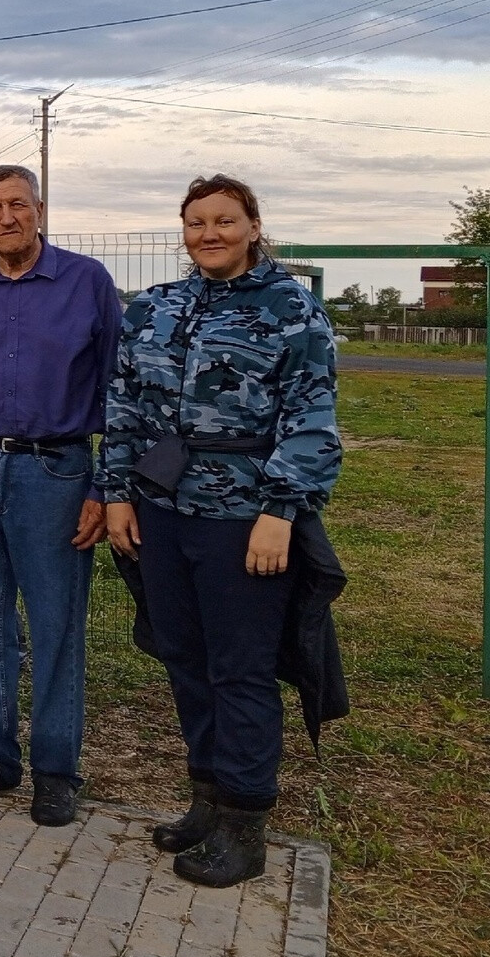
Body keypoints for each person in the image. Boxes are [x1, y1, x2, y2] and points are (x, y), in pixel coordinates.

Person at [104, 175, 342, 887]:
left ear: (253, 225)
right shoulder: (152, 309)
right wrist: (117, 494)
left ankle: (245, 821)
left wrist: (280, 512)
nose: (210, 233)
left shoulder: (291, 309)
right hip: (163, 509)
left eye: (224, 221)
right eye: (197, 222)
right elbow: (124, 405)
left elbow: (311, 420)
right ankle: (206, 797)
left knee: (239, 668)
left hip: (244, 517)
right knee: (184, 655)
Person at [0, 164, 123, 824]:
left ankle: (56, 769)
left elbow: (117, 393)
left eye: (17, 204)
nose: (5, 217)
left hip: (56, 474)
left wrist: (106, 485)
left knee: (55, 626)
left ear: (38, 209)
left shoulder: (87, 283)